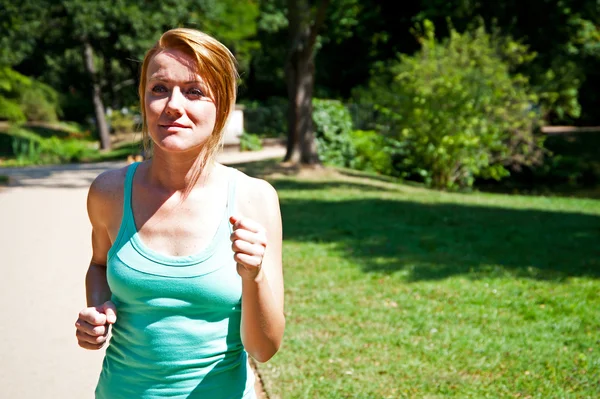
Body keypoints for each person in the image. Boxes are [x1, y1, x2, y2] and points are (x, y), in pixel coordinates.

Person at [74, 28, 285, 399]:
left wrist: (252, 277)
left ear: (221, 104)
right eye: (159, 88)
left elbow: (264, 349)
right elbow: (99, 264)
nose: (173, 105)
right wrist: (97, 311)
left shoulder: (254, 199)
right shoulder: (108, 191)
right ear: (143, 100)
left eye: (194, 91)